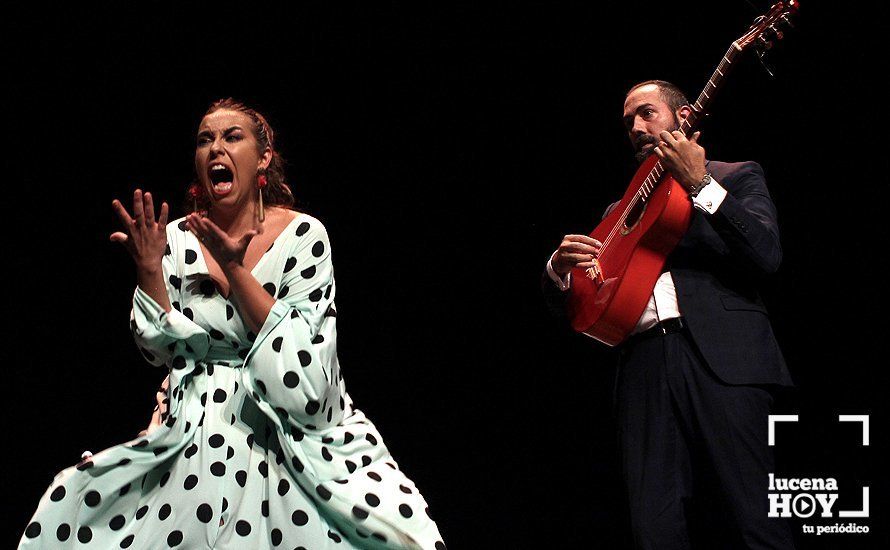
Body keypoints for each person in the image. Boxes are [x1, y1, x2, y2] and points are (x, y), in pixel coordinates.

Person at [19, 98, 446, 549]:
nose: (215, 148)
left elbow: (305, 372)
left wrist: (235, 269)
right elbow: (160, 349)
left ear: (263, 157)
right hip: (196, 420)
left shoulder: (304, 235)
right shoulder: (179, 238)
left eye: (231, 137)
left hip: (287, 424)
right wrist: (148, 268)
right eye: (205, 140)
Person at [543, 81, 795, 548]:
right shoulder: (617, 212)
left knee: (759, 516)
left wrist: (701, 185)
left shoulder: (735, 175)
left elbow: (767, 256)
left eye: (647, 114)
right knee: (653, 526)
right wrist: (557, 272)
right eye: (628, 124)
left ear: (684, 118)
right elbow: (584, 307)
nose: (637, 128)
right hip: (643, 369)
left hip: (724, 361)